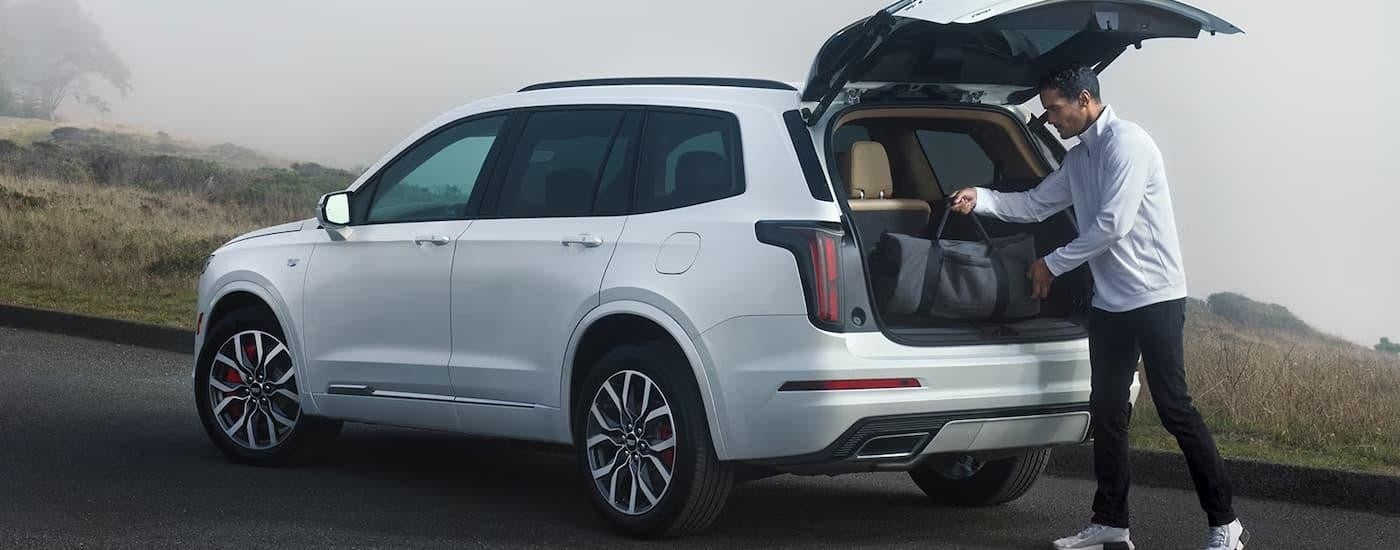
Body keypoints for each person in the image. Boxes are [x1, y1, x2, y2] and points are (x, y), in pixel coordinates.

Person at [947, 65, 1248, 550]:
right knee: (1107, 411)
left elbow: (1113, 223)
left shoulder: (1128, 144)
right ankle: (1111, 522)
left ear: (1084, 99)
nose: (1049, 119)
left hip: (1155, 297)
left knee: (1175, 409)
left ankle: (1225, 523)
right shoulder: (1081, 156)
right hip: (1111, 304)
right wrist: (978, 198)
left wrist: (1051, 264)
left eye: (1054, 108)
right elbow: (1035, 205)